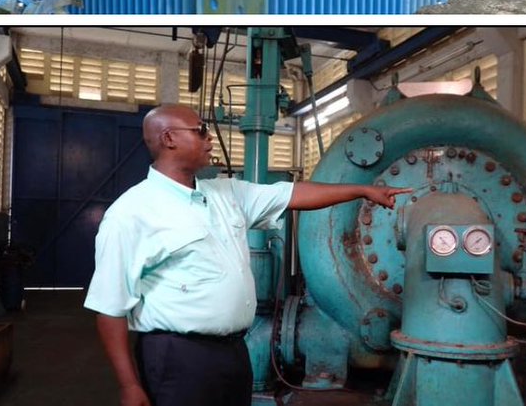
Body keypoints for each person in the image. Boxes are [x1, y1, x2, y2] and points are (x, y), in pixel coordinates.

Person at [85, 103, 410, 406]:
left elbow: (293, 194)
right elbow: (109, 307)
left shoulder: (225, 193)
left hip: (234, 351)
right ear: (169, 138)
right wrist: (129, 384)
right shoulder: (132, 213)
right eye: (200, 130)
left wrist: (363, 190)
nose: (210, 139)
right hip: (178, 356)